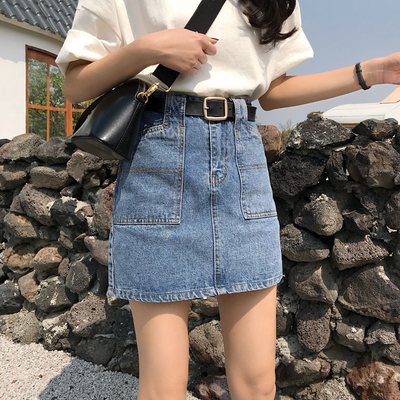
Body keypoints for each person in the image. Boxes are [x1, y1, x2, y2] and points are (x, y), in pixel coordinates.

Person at [56, 1, 400, 399]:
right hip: (159, 159)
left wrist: (374, 71)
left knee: (258, 383)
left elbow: (273, 90)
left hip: (242, 159)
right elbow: (75, 85)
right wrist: (149, 49)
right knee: (163, 386)